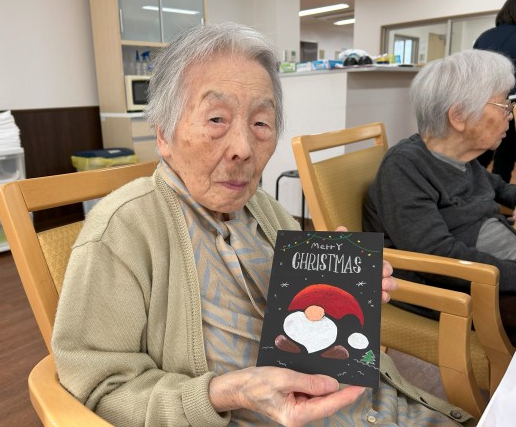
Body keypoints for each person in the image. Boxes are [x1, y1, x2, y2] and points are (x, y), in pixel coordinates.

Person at [52, 22, 475, 426]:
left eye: (260, 123)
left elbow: (305, 322)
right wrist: (224, 392)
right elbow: (99, 391)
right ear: (164, 134)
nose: (243, 148)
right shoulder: (123, 231)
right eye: (216, 119)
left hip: (381, 406)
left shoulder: (263, 208)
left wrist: (342, 287)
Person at [363, 49, 516, 339]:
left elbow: (499, 188)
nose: (509, 115)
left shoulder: (461, 158)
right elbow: (436, 257)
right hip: (459, 288)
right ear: (459, 116)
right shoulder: (405, 167)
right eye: (503, 104)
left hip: (492, 267)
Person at [473, 0, 516, 182]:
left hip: (483, 102)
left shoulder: (484, 36)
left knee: (480, 153)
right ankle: (497, 193)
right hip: (511, 104)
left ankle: (468, 188)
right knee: (505, 157)